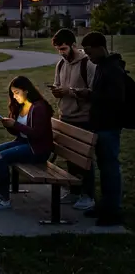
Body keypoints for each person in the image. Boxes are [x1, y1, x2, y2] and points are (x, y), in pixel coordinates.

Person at [0, 76, 54, 211]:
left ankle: (4, 199)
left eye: (16, 93)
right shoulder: (21, 106)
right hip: (23, 142)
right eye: (13, 93)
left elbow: (37, 134)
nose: (14, 97)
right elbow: (19, 134)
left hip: (37, 149)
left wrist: (16, 124)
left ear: (26, 91)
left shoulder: (39, 107)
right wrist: (9, 125)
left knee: (1, 157)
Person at [80, 31, 125, 226]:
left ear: (100, 47)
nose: (89, 57)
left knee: (110, 168)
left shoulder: (112, 69)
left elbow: (115, 100)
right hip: (99, 124)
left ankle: (113, 210)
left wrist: (89, 95)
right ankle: (104, 205)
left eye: (90, 53)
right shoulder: (101, 67)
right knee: (103, 166)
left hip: (109, 126)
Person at [50, 28, 97, 210]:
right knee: (71, 158)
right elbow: (58, 84)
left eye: (64, 49)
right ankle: (75, 191)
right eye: (59, 50)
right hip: (66, 116)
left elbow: (94, 92)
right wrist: (56, 90)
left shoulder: (88, 64)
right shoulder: (60, 64)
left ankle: (88, 195)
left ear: (73, 45)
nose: (62, 53)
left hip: (83, 118)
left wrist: (70, 92)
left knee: (84, 159)